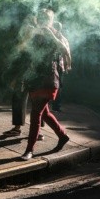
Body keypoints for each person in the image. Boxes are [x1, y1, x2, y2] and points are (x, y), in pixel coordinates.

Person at [18, 12, 71, 161]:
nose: (42, 21)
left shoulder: (54, 34)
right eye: (39, 19)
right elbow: (25, 52)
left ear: (50, 21)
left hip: (48, 80)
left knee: (36, 114)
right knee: (45, 113)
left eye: (45, 19)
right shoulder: (35, 34)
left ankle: (29, 150)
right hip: (34, 79)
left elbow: (64, 50)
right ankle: (62, 136)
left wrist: (51, 35)